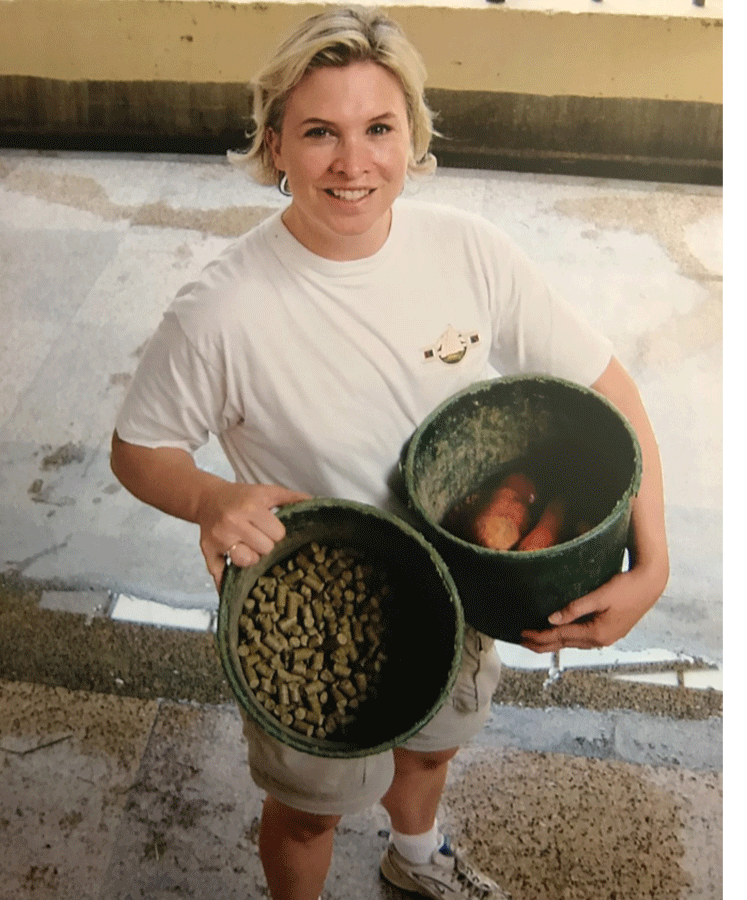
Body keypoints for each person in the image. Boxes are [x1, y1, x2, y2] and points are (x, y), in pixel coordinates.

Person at [108, 7, 669, 900]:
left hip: (457, 581)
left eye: (379, 128)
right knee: (311, 811)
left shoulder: (470, 253)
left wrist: (655, 565)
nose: (353, 162)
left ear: (413, 135)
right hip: (317, 592)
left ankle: (416, 859)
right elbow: (139, 450)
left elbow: (612, 392)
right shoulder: (220, 310)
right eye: (319, 132)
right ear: (274, 143)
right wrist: (211, 498)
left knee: (434, 747)